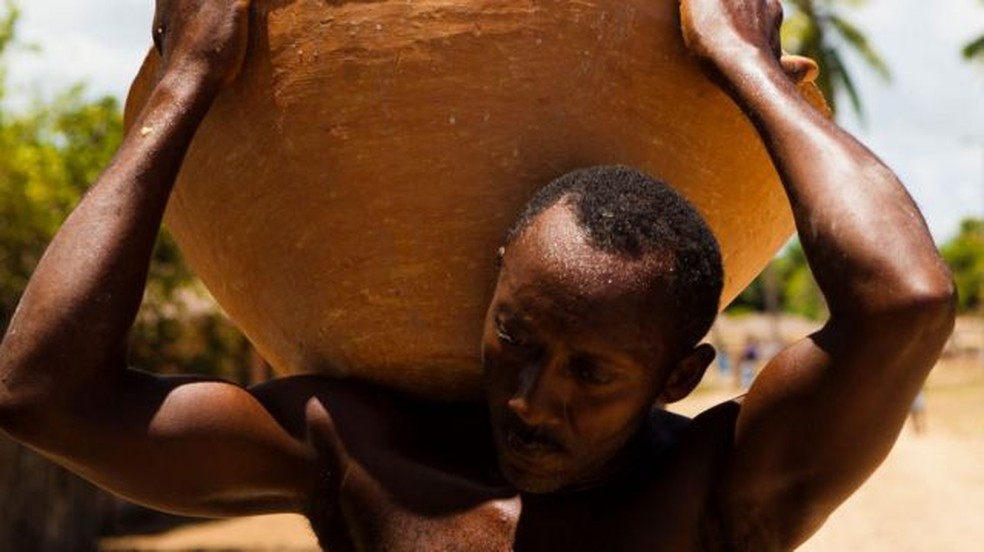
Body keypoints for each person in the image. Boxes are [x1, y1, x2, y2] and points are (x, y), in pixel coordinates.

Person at [0, 0, 955, 550]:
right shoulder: (366, 461)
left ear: (678, 377)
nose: (533, 401)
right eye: (516, 337)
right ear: (494, 286)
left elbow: (905, 299)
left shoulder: (719, 497)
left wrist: (740, 65)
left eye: (592, 373)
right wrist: (184, 88)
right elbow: (42, 395)